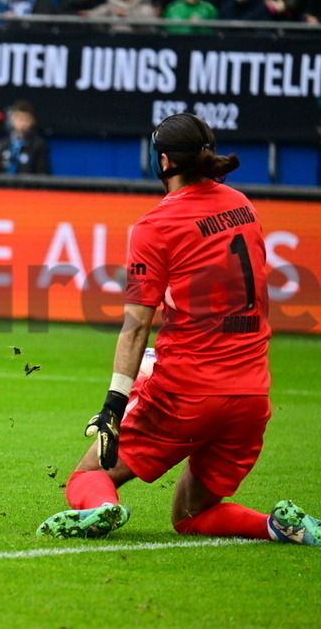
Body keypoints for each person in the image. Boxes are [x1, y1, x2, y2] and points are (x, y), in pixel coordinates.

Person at [38, 112, 320, 547]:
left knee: (88, 475)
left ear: (164, 161)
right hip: (250, 397)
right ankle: (276, 526)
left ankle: (101, 507)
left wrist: (114, 404)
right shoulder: (242, 205)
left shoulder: (156, 225)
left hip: (186, 394)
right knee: (192, 515)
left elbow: (136, 327)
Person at [0, 100, 50, 174]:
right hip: (4, 184)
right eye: (19, 118)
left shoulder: (38, 145)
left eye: (26, 119)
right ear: (12, 119)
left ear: (32, 121)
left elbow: (43, 173)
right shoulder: (3, 144)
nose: (22, 122)